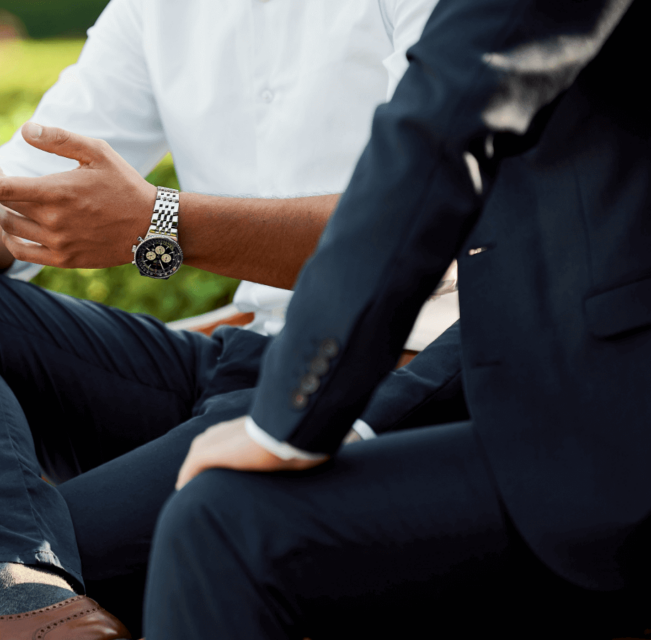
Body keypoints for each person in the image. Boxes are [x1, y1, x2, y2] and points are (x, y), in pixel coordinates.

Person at [0, 0, 450, 637]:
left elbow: (426, 217)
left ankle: (16, 591)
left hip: (387, 374)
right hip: (243, 358)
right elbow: (18, 198)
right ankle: (18, 584)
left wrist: (164, 223)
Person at [133, 0, 651, 638]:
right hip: (532, 397)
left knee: (220, 524)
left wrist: (289, 419)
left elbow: (441, 122)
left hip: (609, 431)